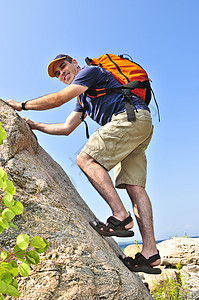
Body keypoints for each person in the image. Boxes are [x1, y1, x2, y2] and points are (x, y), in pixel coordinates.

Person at [5, 54, 161, 274]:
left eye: (63, 67)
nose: (62, 74)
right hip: (139, 123)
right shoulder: (83, 99)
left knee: (85, 158)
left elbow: (58, 99)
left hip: (128, 118)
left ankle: (120, 217)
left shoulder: (91, 72)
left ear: (75, 63)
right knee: (135, 187)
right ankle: (150, 254)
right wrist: (34, 125)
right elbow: (66, 128)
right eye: (57, 74)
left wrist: (22, 105)